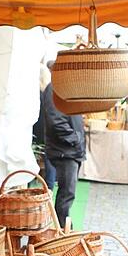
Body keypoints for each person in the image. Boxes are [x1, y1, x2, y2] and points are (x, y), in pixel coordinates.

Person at [42, 69, 85, 226]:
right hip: (65, 152)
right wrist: (75, 139)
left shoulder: (62, 88)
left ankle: (63, 230)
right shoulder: (55, 89)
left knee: (67, 194)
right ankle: (63, 233)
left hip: (68, 151)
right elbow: (56, 121)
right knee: (66, 195)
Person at [34, 63, 58, 190]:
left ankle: (49, 186)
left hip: (41, 130)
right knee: (49, 159)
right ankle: (49, 185)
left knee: (48, 159)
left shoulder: (43, 91)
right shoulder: (49, 90)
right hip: (45, 129)